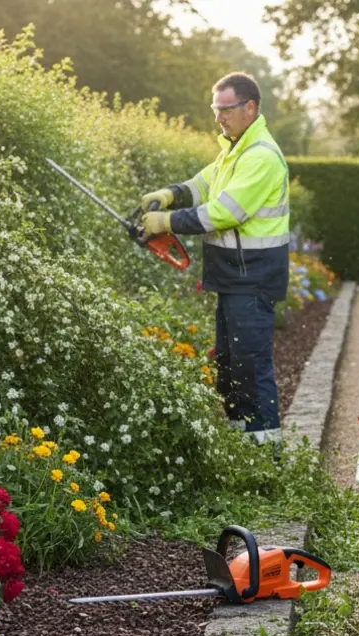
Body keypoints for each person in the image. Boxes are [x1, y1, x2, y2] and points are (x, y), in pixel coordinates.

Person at [138, 72, 290, 445]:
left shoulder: (261, 156)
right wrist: (170, 194)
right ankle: (242, 442)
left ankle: (267, 453)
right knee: (229, 364)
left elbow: (223, 213)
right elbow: (204, 184)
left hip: (252, 279)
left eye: (225, 109)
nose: (218, 118)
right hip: (233, 277)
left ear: (250, 107)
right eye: (215, 110)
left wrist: (166, 220)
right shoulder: (234, 149)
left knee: (250, 367)